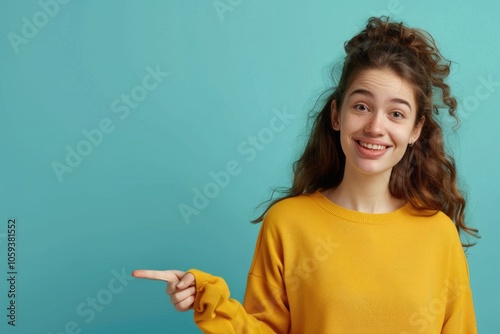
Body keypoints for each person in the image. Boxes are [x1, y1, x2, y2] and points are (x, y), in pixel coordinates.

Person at [133, 16, 479, 333]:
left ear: (416, 130)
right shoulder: (287, 223)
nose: (375, 126)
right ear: (336, 115)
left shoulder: (438, 235)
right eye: (361, 106)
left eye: (396, 114)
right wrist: (207, 299)